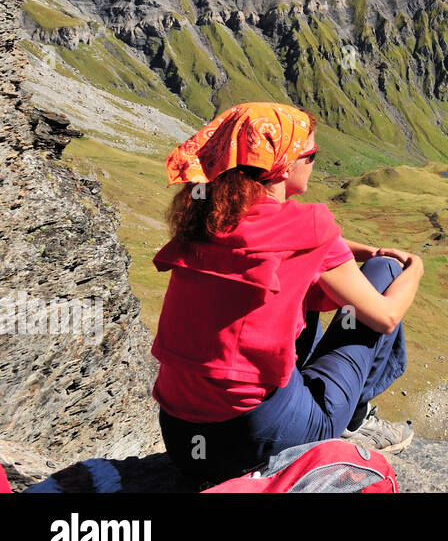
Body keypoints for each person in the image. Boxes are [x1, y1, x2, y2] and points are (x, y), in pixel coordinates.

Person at [149, 101, 423, 485]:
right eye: (309, 155)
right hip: (258, 439)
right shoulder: (308, 227)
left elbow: (306, 250)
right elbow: (386, 315)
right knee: (386, 272)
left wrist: (364, 249)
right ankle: (352, 418)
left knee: (306, 291)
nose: (314, 163)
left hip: (183, 442)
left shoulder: (206, 218)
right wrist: (413, 267)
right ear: (283, 165)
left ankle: (314, 399)